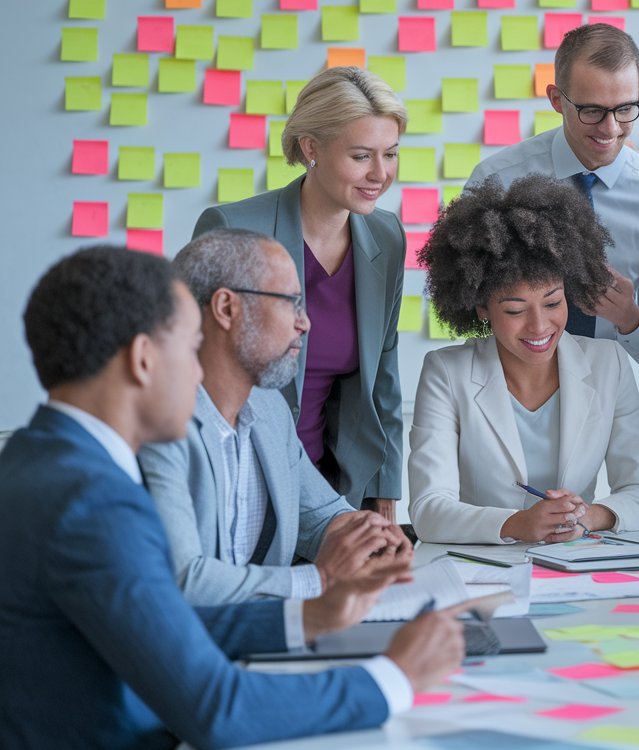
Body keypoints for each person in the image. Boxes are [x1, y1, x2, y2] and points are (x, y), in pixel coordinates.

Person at [0, 246, 466, 749]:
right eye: (190, 347)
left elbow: (160, 629)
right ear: (143, 359)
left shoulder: (38, 460)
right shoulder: (92, 501)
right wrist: (395, 677)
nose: (200, 373)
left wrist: (311, 614)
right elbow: (218, 709)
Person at [139, 230, 411, 606]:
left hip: (263, 638)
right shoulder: (155, 424)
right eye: (290, 303)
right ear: (226, 309)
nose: (305, 323)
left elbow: (318, 515)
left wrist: (371, 535)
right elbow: (183, 580)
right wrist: (319, 578)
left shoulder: (269, 410)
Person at [193, 66, 408, 518]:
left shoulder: (386, 236)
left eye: (390, 154)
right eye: (361, 155)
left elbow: (382, 375)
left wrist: (383, 492)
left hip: (337, 492)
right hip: (241, 486)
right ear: (311, 148)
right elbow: (188, 373)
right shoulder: (233, 228)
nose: (380, 173)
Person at [408, 174, 639, 544]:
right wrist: (516, 524)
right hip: (483, 567)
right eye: (515, 310)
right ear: (481, 307)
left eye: (553, 303)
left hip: (574, 564)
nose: (540, 326)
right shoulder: (446, 372)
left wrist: (587, 516)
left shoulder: (609, 363)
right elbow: (429, 510)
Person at [465, 23, 639, 370]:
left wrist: (629, 318)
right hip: (500, 390)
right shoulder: (496, 180)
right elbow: (465, 307)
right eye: (592, 111)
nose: (611, 129)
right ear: (557, 99)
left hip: (605, 399)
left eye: (626, 109)